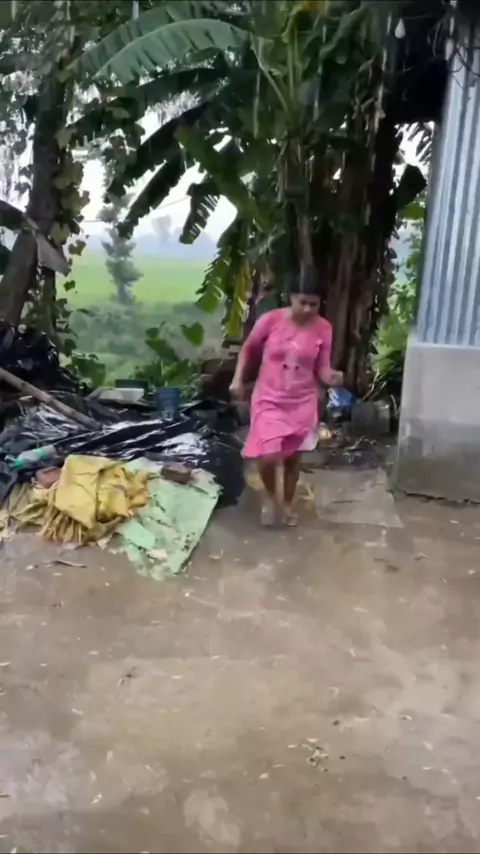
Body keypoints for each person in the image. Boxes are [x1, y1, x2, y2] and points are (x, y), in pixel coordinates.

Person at [230, 268, 343, 527]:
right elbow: (248, 348)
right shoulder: (270, 320)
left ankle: (288, 504)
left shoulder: (323, 328)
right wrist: (237, 379)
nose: (308, 309)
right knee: (268, 455)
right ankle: (272, 497)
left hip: (302, 401)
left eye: (314, 304)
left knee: (292, 458)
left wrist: (332, 376)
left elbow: (322, 368)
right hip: (268, 397)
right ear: (291, 297)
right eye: (302, 302)